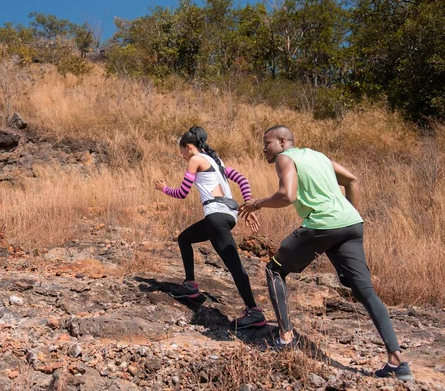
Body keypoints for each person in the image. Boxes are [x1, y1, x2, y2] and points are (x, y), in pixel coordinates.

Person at [239, 125, 413, 380]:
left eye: (268, 143)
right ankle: (397, 361)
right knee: (366, 292)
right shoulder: (318, 156)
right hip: (351, 224)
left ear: (283, 141)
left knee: (274, 269)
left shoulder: (284, 158)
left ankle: (286, 338)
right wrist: (346, 217)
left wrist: (257, 203)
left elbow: (287, 195)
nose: (264, 148)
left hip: (321, 226)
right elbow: (352, 180)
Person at [154, 126, 267, 329]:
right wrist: (248, 205)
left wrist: (163, 189)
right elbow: (242, 180)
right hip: (228, 215)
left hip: (216, 216)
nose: (182, 157)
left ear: (189, 147)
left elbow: (181, 193)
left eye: (182, 152)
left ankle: (254, 311)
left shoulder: (195, 160)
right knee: (184, 238)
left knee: (234, 265)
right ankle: (190, 285)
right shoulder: (217, 160)